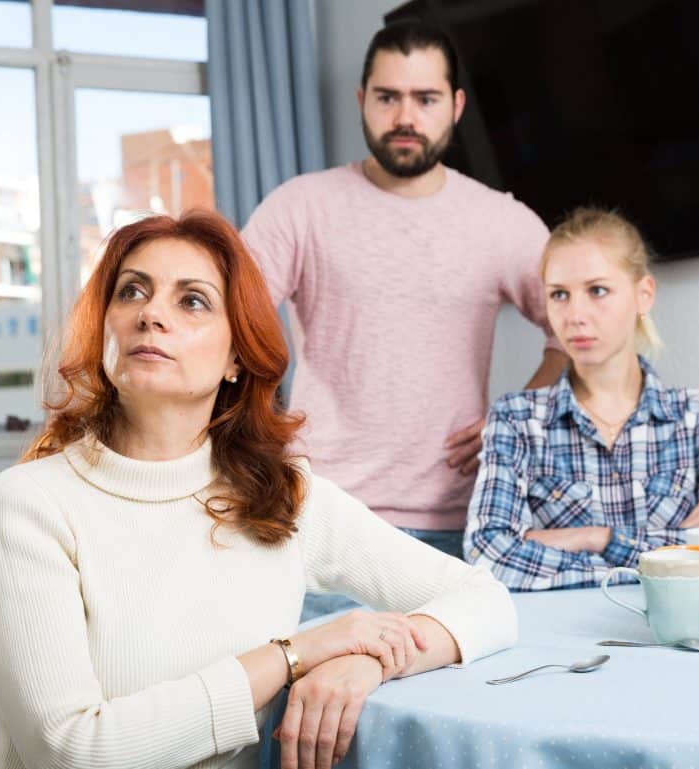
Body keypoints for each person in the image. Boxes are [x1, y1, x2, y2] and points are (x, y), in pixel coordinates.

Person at [0, 211, 517, 769]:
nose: (151, 314)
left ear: (237, 356)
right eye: (132, 291)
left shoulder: (284, 494)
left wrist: (371, 661)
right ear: (106, 325)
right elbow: (72, 749)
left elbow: (487, 600)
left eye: (192, 301)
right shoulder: (28, 503)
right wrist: (296, 655)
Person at [242, 22, 566, 613]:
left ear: (456, 106)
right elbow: (228, 324)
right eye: (388, 97)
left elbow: (575, 333)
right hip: (323, 525)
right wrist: (258, 433)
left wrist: (518, 417)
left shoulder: (502, 221)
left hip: (459, 533)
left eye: (426, 99)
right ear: (362, 100)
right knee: (317, 701)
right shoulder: (301, 206)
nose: (405, 116)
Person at [464, 207, 699, 591]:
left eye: (597, 290)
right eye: (559, 294)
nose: (575, 314)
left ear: (644, 295)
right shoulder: (515, 419)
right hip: (561, 643)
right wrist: (678, 549)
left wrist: (599, 538)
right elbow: (486, 555)